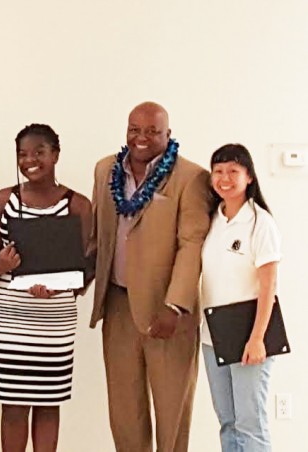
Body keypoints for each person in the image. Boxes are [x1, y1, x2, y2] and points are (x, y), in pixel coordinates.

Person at [90, 101, 211, 452]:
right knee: (125, 412)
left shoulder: (191, 177)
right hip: (117, 304)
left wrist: (175, 306)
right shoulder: (105, 170)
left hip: (167, 312)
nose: (141, 138)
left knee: (172, 410)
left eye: (152, 131)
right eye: (134, 130)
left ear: (168, 134)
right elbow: (99, 236)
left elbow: (192, 246)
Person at [0, 124, 92, 452]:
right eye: (22, 154)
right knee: (13, 405)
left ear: (55, 154)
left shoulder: (78, 204)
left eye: (39, 152)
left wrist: (67, 288)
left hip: (55, 318)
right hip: (12, 316)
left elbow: (88, 266)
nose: (29, 160)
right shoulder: (4, 199)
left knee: (48, 402)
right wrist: (1, 265)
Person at [201, 144, 280, 451]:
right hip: (212, 335)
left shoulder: (261, 223)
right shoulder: (213, 220)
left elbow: (268, 287)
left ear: (249, 177)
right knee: (228, 421)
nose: (225, 178)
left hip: (249, 336)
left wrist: (257, 338)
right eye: (218, 171)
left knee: (250, 423)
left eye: (234, 171)